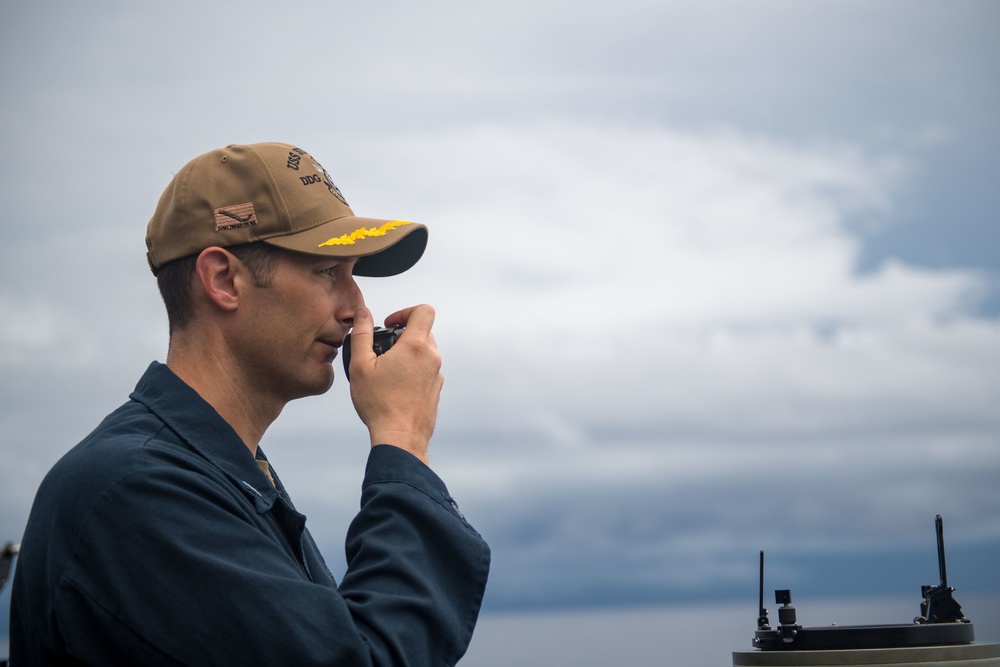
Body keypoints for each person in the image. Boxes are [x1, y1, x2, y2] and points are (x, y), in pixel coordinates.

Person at [9, 142, 491, 665]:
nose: (357, 308)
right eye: (327, 272)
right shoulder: (136, 490)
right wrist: (401, 438)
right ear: (222, 280)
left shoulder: (210, 476)